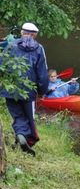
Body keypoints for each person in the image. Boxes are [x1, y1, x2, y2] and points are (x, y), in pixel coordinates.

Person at [0, 22, 49, 156]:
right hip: (29, 91)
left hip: (9, 89)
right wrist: (42, 91)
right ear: (35, 35)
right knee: (29, 118)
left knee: (17, 115)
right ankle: (26, 139)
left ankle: (20, 138)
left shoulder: (11, 45)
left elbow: (1, 65)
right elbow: (42, 73)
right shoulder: (39, 48)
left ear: (22, 33)